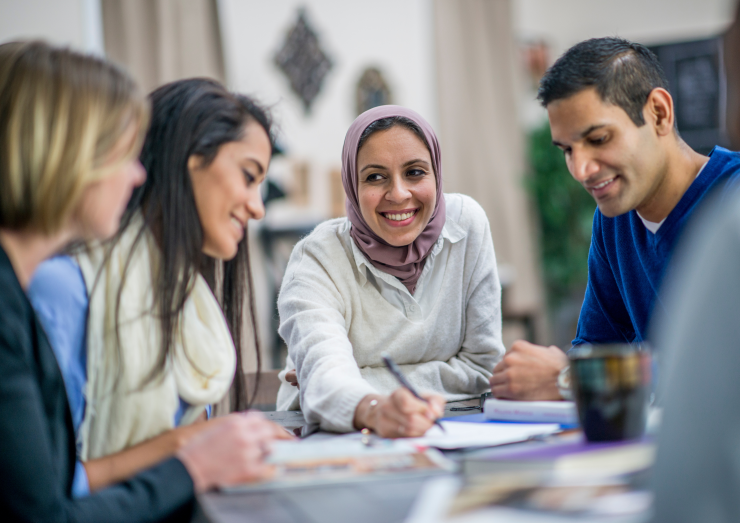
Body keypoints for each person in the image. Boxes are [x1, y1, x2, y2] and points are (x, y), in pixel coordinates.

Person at [0, 40, 282, 521]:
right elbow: (46, 494)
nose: (257, 206)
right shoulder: (60, 289)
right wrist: (186, 454)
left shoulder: (189, 298)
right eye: (248, 176)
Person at [490, 37, 740, 401]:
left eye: (599, 138)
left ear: (658, 113)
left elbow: (722, 368)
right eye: (568, 150)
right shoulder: (614, 220)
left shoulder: (732, 200)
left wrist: (570, 379)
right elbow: (594, 349)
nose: (581, 169)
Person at [276, 105, 504, 437]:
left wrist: (359, 380)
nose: (398, 194)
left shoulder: (467, 225)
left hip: (452, 428)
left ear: (436, 174)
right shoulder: (317, 258)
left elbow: (482, 368)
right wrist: (371, 407)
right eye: (375, 177)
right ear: (352, 186)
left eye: (415, 172)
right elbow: (324, 381)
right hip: (334, 438)